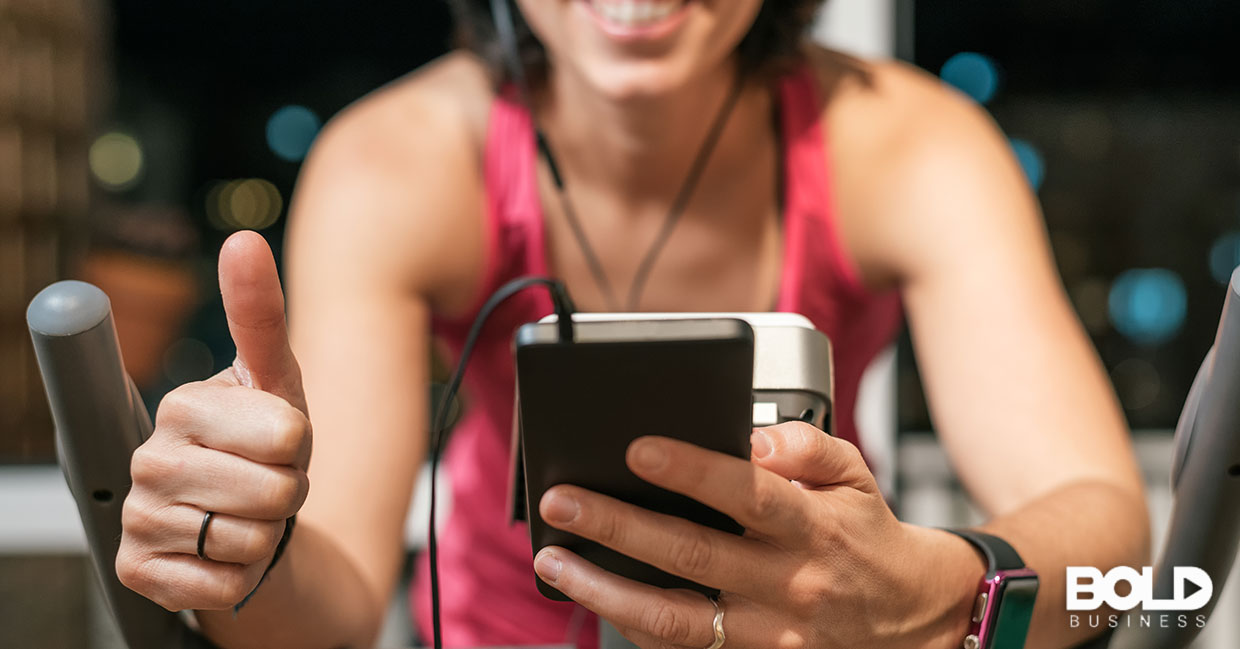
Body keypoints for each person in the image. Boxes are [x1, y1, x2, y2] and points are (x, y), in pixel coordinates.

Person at [115, 1, 1151, 648]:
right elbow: (325, 607)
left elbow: (1118, 550)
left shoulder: (908, 145)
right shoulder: (398, 162)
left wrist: (943, 593)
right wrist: (241, 541)